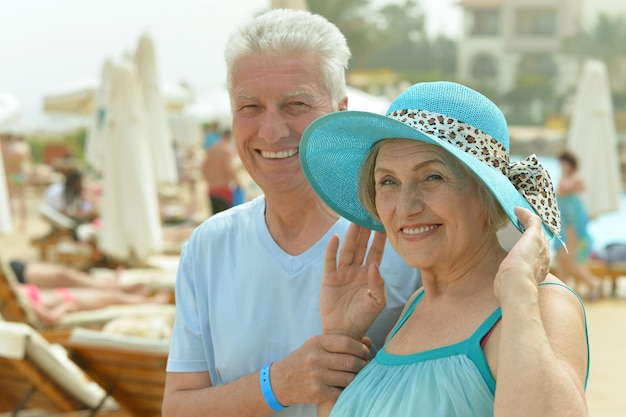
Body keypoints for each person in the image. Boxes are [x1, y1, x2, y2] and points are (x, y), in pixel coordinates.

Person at [162, 9, 422, 417]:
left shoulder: (405, 240)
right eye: (249, 106)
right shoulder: (209, 245)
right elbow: (177, 408)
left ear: (340, 110)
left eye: (295, 104)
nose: (271, 131)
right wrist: (279, 383)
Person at [299, 81, 590, 416]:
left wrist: (518, 292)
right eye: (388, 181)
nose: (405, 207)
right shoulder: (416, 305)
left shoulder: (542, 302)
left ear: (486, 194)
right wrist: (342, 337)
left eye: (432, 177)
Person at [553, 149, 603, 300]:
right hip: (566, 223)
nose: (561, 166)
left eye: (563, 163)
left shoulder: (574, 179)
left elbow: (564, 190)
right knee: (562, 259)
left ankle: (593, 283)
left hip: (571, 225)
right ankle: (562, 290)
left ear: (570, 164)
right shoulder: (568, 178)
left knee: (567, 259)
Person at [17, 281, 171, 325]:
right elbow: (50, 318)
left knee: (111, 295)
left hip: (67, 295)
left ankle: (138, 297)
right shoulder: (21, 300)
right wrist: (66, 306)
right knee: (114, 298)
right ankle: (151, 302)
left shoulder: (12, 290)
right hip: (70, 300)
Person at [201, 128, 240, 214]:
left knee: (217, 221)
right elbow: (229, 169)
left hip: (211, 190)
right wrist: (239, 183)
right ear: (230, 137)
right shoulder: (226, 150)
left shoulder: (211, 149)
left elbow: (203, 168)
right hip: (223, 190)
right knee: (227, 221)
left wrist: (210, 180)